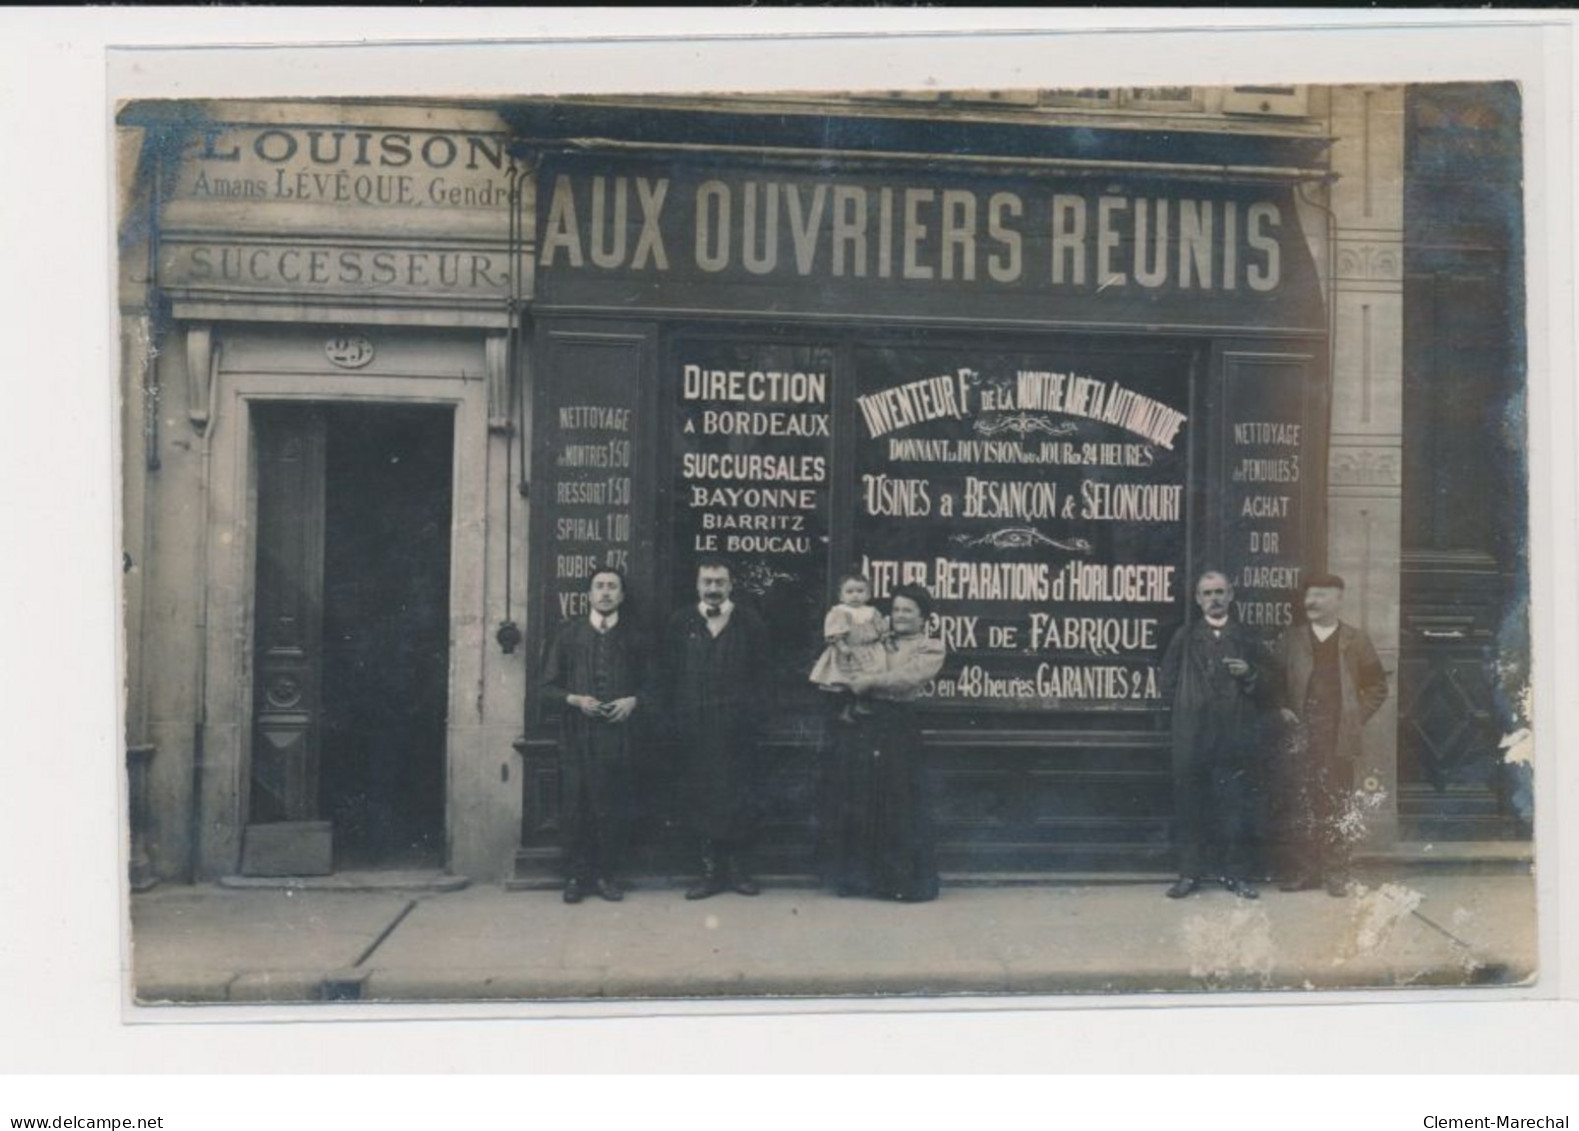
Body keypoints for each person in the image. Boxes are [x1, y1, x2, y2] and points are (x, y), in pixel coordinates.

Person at [823, 584, 947, 903]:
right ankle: (862, 880)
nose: (900, 616)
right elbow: (850, 664)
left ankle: (902, 883)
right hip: (866, 723)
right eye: (896, 609)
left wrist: (870, 682)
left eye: (908, 610)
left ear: (923, 617)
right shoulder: (879, 640)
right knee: (865, 796)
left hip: (900, 725)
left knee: (900, 800)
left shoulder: (931, 647)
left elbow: (909, 678)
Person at [1271, 574, 1389, 897]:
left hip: (1337, 736)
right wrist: (1281, 708)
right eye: (1309, 596)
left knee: (1336, 802)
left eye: (1320, 596)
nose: (1311, 602)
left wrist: (1354, 717)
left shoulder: (1355, 640)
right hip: (1301, 733)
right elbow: (1273, 684)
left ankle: (1336, 873)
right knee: (1302, 801)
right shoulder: (1291, 639)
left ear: (1338, 600)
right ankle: (1305, 871)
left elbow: (1377, 686)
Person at [538, 568, 650, 905]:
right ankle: (576, 876)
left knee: (612, 804)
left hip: (620, 736)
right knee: (577, 805)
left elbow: (656, 686)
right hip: (577, 734)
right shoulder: (569, 634)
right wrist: (575, 700)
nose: (605, 593)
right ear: (588, 595)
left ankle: (606, 875)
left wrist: (633, 701)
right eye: (599, 587)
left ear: (622, 596)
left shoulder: (636, 637)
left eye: (612, 587)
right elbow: (545, 688)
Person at [1158, 570, 1267, 900]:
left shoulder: (1247, 637)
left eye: (1220, 591)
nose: (1214, 598)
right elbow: (1168, 683)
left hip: (1235, 734)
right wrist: (1184, 717)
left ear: (1231, 596)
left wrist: (1249, 674)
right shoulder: (1185, 636)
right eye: (1207, 593)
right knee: (1191, 806)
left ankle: (1236, 875)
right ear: (1197, 599)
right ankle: (1190, 874)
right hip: (1193, 735)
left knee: (1235, 806)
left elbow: (1271, 686)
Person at [666, 558, 770, 900]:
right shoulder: (680, 622)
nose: (713, 588)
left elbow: (764, 675)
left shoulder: (750, 622)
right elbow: (667, 674)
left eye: (719, 582)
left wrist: (753, 716)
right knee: (700, 796)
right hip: (694, 728)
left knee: (739, 796)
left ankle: (739, 871)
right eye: (707, 582)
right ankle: (709, 872)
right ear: (697, 585)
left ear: (730, 585)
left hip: (737, 729)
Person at [808, 572, 890, 724]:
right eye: (850, 592)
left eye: (860, 591)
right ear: (841, 595)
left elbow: (881, 628)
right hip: (847, 652)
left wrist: (885, 639)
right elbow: (835, 632)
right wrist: (842, 646)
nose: (855, 596)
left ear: (868, 594)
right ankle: (845, 710)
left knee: (867, 680)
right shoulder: (839, 612)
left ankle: (860, 705)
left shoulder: (872, 612)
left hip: (869, 651)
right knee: (846, 682)